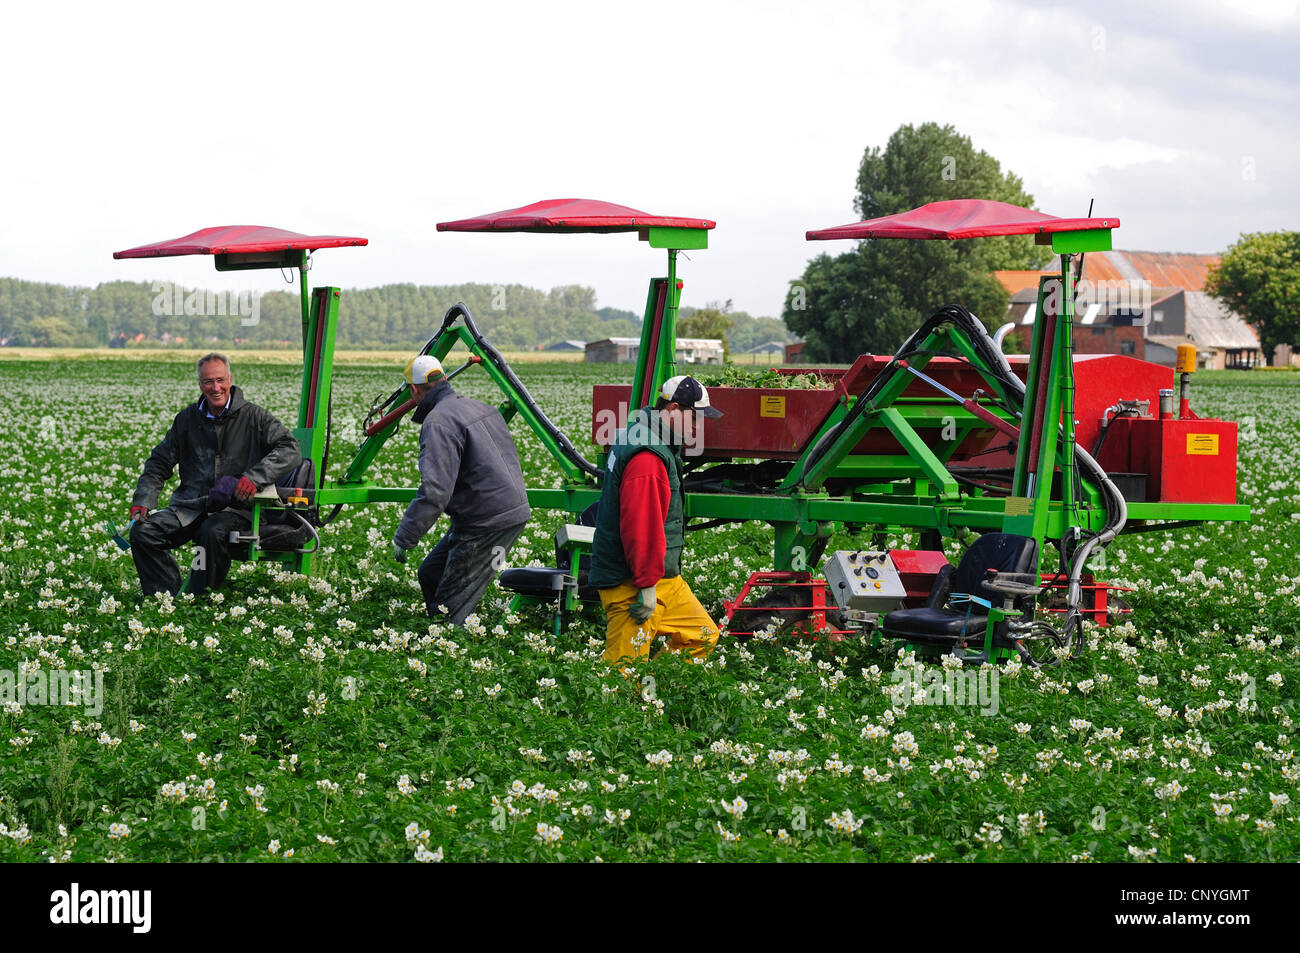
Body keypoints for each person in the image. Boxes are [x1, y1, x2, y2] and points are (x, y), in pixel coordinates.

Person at [129, 353, 302, 597]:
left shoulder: (254, 417)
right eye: (208, 382)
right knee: (143, 532)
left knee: (210, 531)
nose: (215, 387)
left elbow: (290, 448)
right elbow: (159, 461)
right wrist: (144, 499)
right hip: (192, 507)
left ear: (230, 380)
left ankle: (202, 599)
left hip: (238, 509)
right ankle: (165, 597)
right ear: (200, 385)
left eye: (220, 380)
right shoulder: (187, 419)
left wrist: (255, 477)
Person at [589, 375, 723, 664]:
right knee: (623, 672)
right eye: (696, 419)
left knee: (702, 635)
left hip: (665, 579)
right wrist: (646, 585)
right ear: (674, 410)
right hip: (633, 583)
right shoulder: (648, 457)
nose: (698, 427)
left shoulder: (648, 435)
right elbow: (642, 527)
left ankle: (654, 692)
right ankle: (632, 699)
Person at [392, 354, 531, 624]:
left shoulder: (439, 421)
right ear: (443, 378)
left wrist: (404, 537)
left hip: (487, 522)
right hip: (503, 512)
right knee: (431, 572)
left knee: (449, 607)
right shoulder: (480, 407)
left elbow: (435, 491)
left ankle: (449, 635)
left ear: (415, 389)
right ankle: (458, 623)